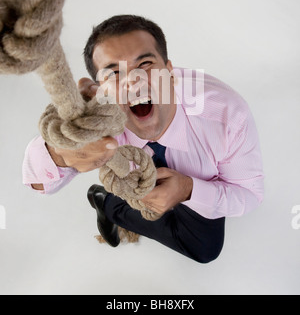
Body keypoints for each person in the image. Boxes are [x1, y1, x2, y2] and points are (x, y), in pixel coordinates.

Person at [22, 15, 264, 263]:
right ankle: (109, 202)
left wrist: (187, 190)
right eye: (114, 73)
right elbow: (37, 184)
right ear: (100, 89)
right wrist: (62, 154)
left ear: (169, 72)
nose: (133, 83)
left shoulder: (226, 116)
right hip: (132, 174)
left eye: (145, 64)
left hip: (199, 179)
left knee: (205, 249)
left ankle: (108, 204)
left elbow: (249, 194)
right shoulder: (102, 111)